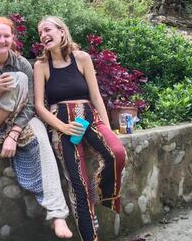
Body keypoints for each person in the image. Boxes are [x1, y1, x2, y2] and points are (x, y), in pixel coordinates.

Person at [0, 17, 72, 238]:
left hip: (21, 119)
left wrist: (14, 133)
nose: (1, 40)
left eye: (6, 36)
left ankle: (57, 215)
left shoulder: (23, 64)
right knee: (16, 79)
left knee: (42, 138)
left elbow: (30, 106)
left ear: (13, 38)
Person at [34, 16, 126, 241]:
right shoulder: (41, 66)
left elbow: (96, 96)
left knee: (117, 153)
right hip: (61, 125)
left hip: (89, 118)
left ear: (62, 32)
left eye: (47, 30)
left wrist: (107, 128)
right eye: (40, 33)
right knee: (78, 186)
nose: (44, 35)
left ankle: (103, 194)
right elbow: (39, 106)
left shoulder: (82, 58)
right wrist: (63, 127)